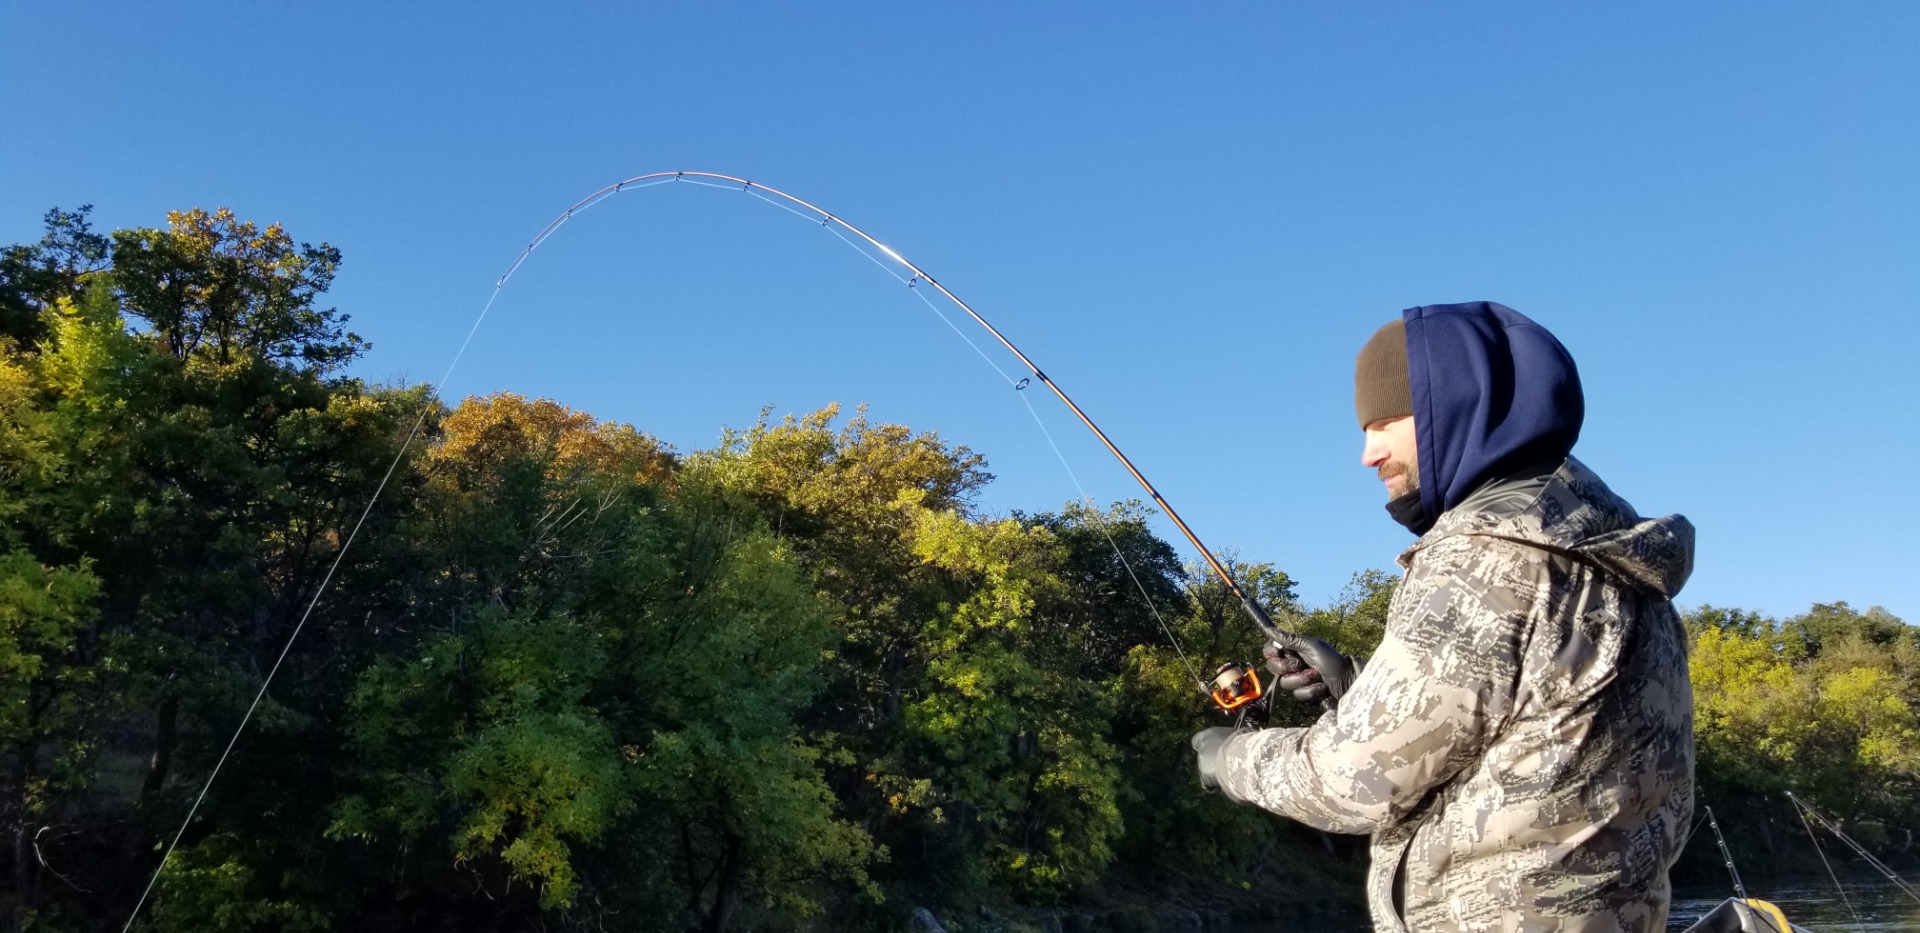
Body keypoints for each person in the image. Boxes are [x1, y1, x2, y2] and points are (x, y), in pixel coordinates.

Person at [1191, 301, 1695, 932]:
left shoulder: (1487, 558)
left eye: (1384, 421)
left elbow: (1354, 779)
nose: (1367, 454)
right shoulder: (1608, 556)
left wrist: (1232, 758)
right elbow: (1537, 733)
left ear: (1454, 408)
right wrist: (1358, 689)